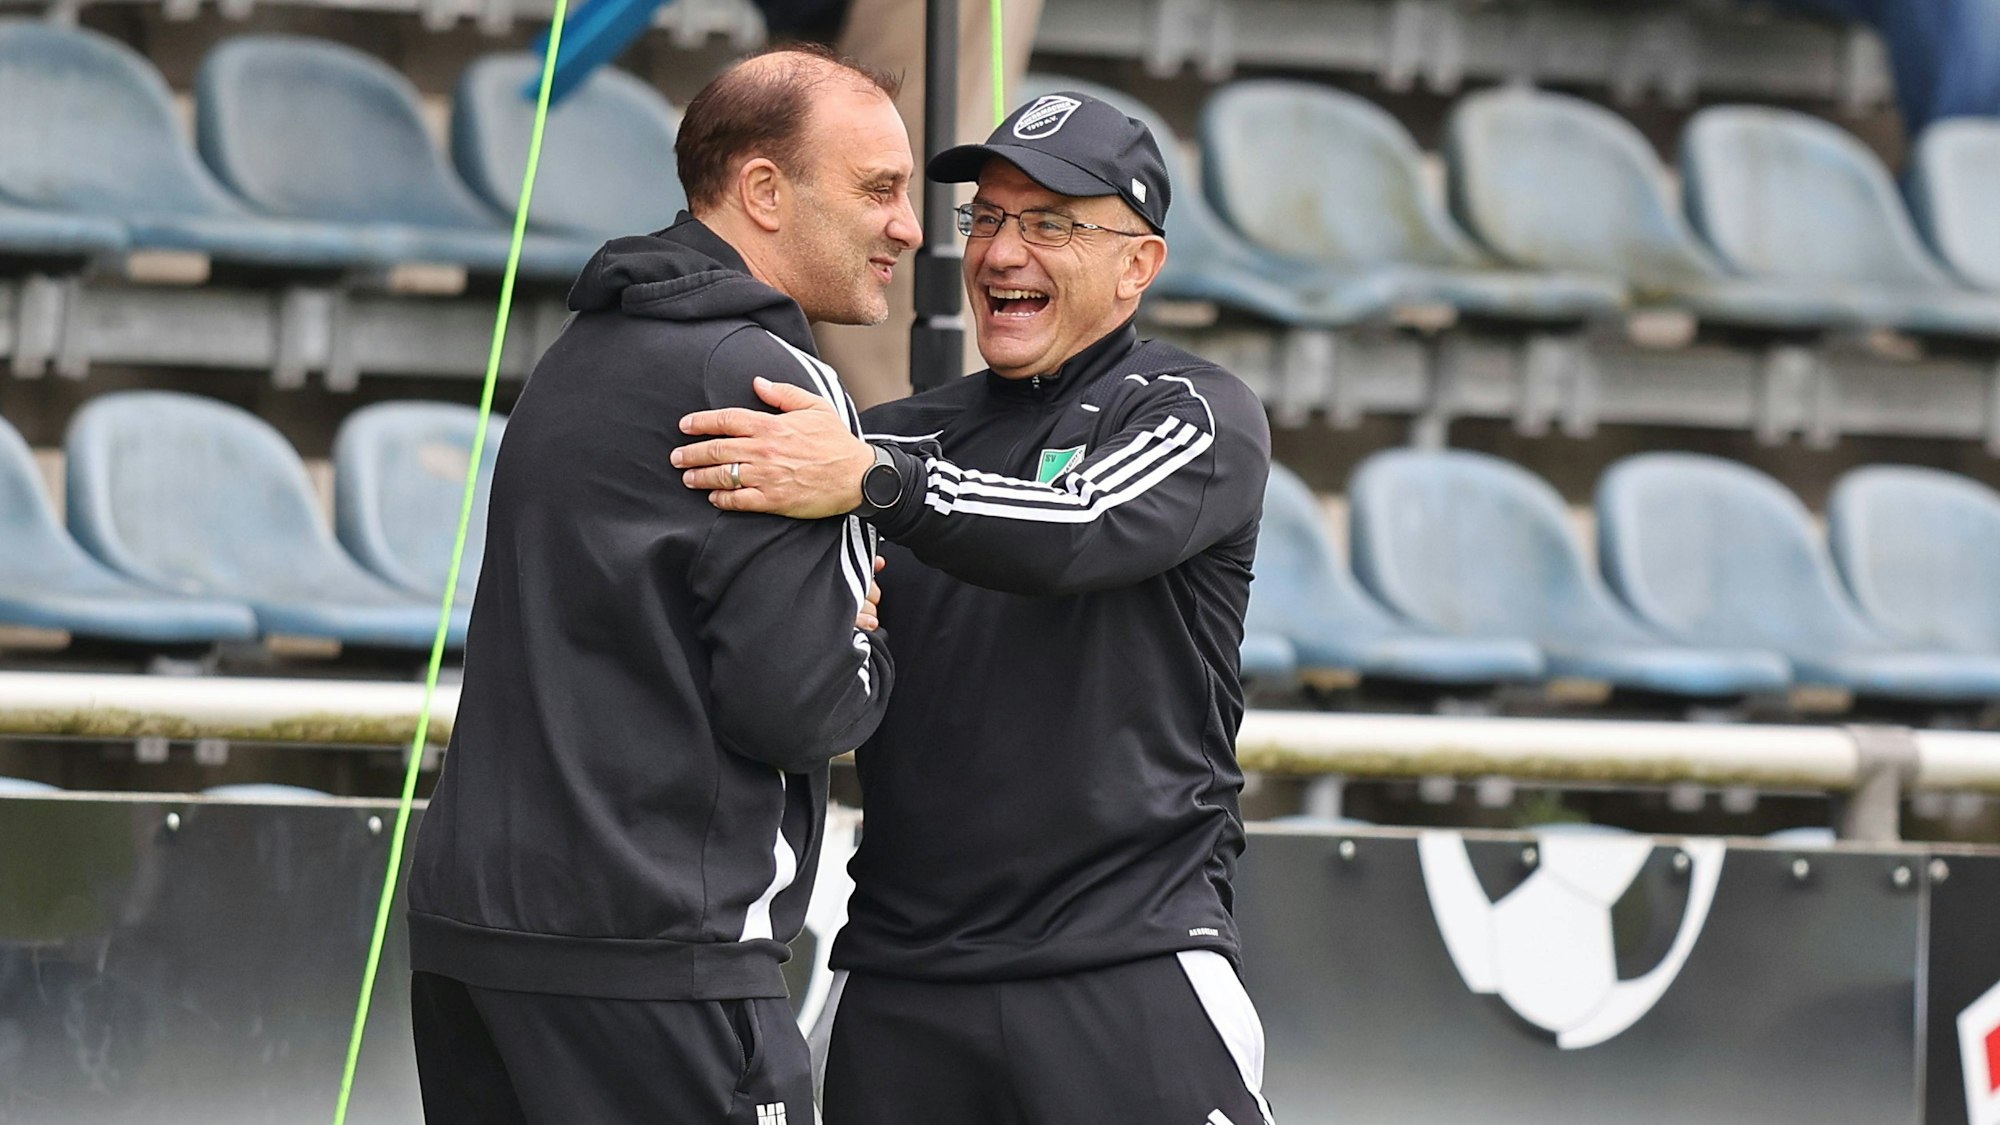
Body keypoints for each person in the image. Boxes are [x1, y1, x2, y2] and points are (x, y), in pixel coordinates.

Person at [673, 91, 1277, 1124]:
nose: (999, 254)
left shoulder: (1192, 411)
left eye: (1049, 224)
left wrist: (874, 481)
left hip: (1126, 966)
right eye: (987, 217)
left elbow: (1077, 523)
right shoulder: (890, 436)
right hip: (899, 979)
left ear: (1138, 265)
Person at [403, 45, 918, 1125]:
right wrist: (870, 638)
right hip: (657, 958)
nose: (908, 228)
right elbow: (801, 703)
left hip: (474, 945)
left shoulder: (582, 348)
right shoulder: (769, 376)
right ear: (764, 190)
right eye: (879, 189)